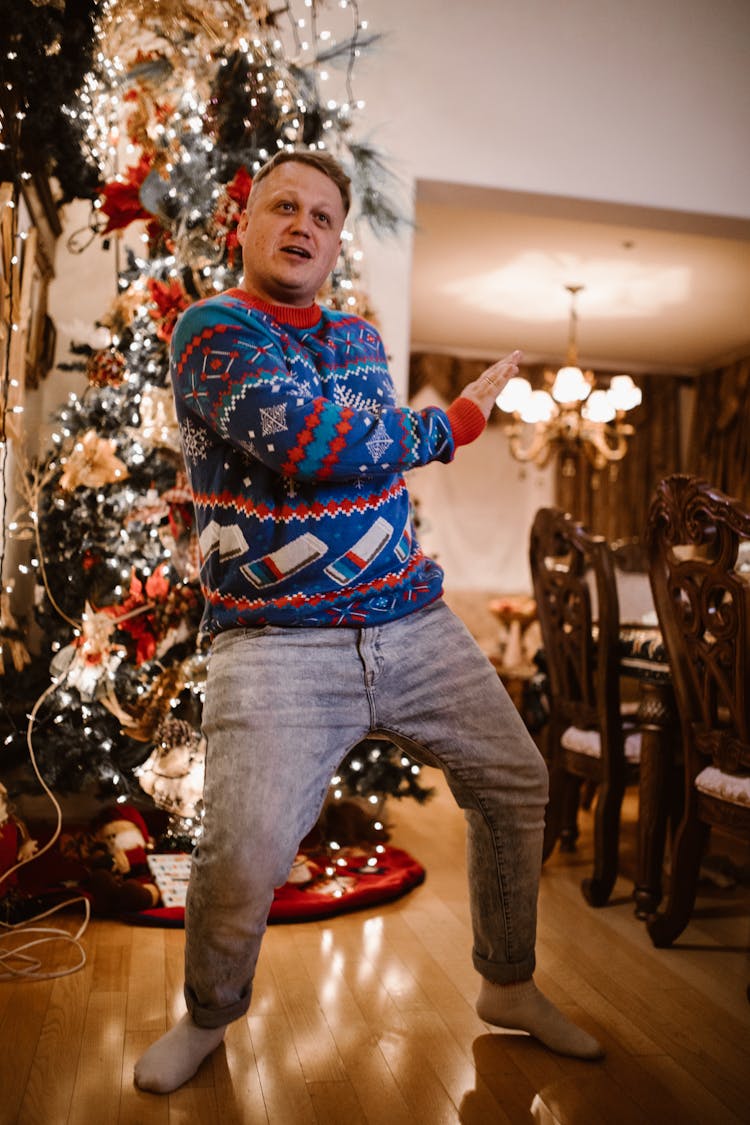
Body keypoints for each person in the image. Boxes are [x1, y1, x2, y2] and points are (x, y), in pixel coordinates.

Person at [134, 150, 603, 1094]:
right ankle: (210, 1015)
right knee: (247, 848)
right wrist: (453, 423)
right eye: (284, 207)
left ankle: (507, 984)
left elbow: (357, 454)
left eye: (322, 215)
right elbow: (313, 444)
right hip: (273, 641)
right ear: (248, 224)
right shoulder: (211, 328)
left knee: (515, 779)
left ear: (339, 241)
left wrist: (376, 441)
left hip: (412, 618)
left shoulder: (355, 339)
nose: (303, 224)